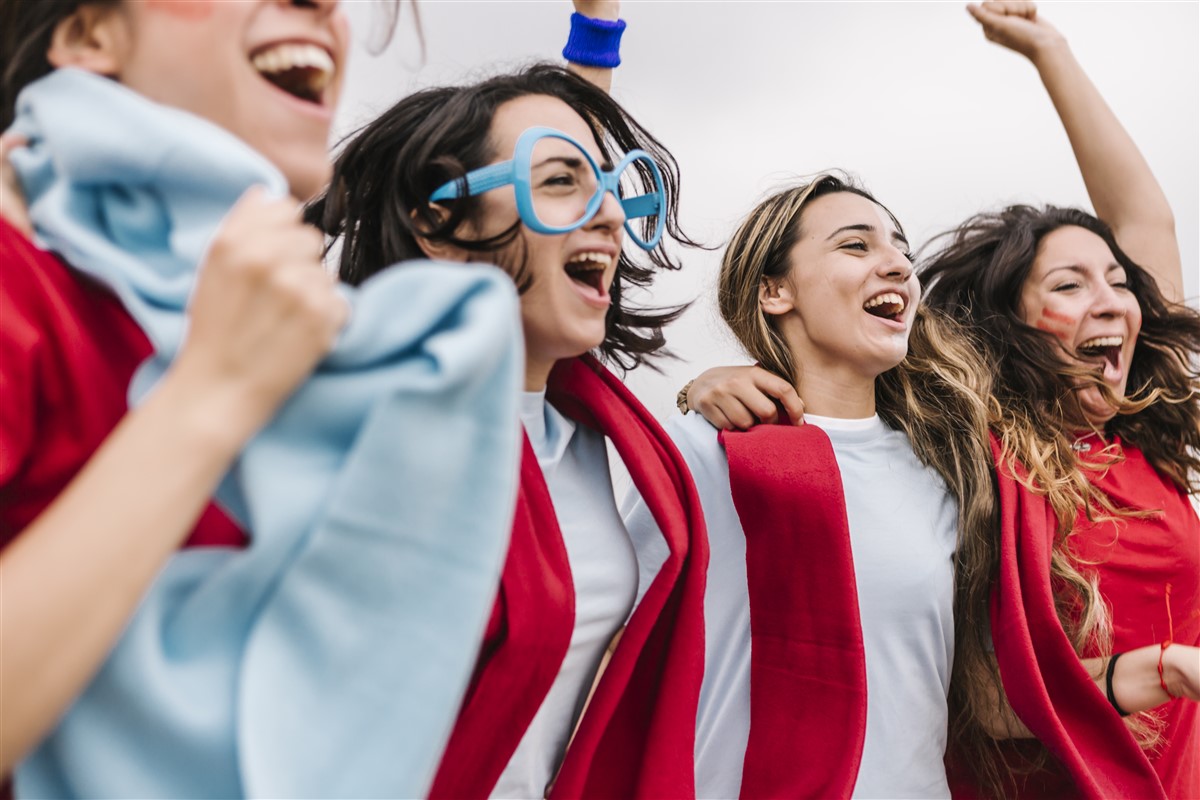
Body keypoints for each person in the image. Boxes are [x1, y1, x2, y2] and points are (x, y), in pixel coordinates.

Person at [0, 1, 530, 796]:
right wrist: (211, 397)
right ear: (87, 35)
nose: (321, 4)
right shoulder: (24, 285)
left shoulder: (292, 335)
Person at [682, 3, 1200, 796]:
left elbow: (1146, 222)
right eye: (1069, 285)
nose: (1112, 300)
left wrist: (1050, 49)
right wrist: (712, 383)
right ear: (1013, 327)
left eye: (1120, 283)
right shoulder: (982, 460)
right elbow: (994, 695)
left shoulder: (1146, 437)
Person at [308, 61, 709, 799]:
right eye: (560, 182)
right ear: (440, 225)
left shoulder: (590, 436)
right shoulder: (345, 431)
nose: (612, 213)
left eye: (615, 186)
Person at [624, 171, 1002, 798]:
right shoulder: (704, 448)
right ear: (774, 290)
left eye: (901, 249)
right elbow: (609, 646)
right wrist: (692, 395)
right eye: (857, 245)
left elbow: (983, 690)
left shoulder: (949, 472)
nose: (897, 265)